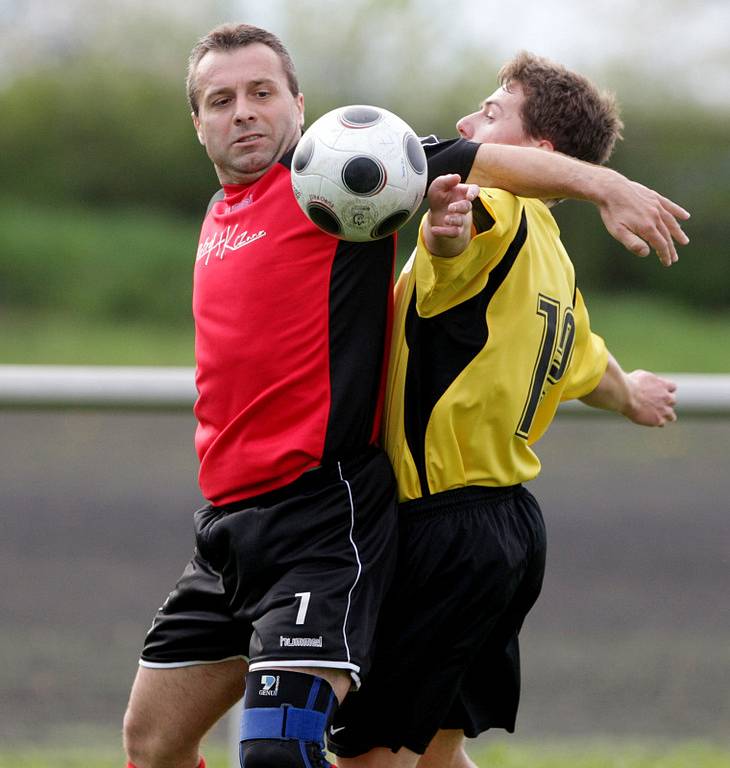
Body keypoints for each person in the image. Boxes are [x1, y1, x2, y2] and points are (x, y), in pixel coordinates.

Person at [120, 25, 688, 768]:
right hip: (228, 527)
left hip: (322, 519)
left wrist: (603, 183)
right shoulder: (221, 210)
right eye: (220, 100)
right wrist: (627, 390)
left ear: (300, 101)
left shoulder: (336, 179)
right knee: (152, 742)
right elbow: (580, 350)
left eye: (262, 93)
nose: (244, 112)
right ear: (197, 123)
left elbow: (464, 177)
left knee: (290, 753)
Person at [328, 52, 679, 768]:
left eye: (491, 115)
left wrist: (441, 236)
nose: (466, 124)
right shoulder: (553, 259)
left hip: (440, 532)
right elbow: (588, 362)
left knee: (367, 756)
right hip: (507, 533)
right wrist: (631, 393)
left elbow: (459, 230)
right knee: (435, 755)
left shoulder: (499, 207)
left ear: (539, 154)